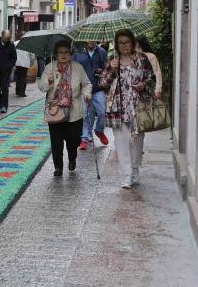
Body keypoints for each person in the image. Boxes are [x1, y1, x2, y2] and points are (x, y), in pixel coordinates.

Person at [99, 28, 154, 189]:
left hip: (138, 106)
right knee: (122, 142)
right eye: (120, 43)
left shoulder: (141, 59)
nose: (124, 45)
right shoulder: (112, 59)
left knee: (136, 141)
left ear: (132, 43)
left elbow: (151, 78)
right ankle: (126, 175)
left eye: (127, 42)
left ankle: (135, 169)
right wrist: (111, 69)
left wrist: (143, 85)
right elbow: (102, 84)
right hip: (118, 108)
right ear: (116, 44)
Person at [38, 40, 92, 176]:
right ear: (56, 54)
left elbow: (86, 84)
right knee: (56, 141)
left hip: (74, 110)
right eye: (60, 52)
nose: (63, 55)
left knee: (73, 139)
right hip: (55, 110)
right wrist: (47, 81)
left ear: (71, 53)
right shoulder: (49, 67)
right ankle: (58, 167)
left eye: (66, 52)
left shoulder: (78, 67)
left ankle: (72, 158)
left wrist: (87, 94)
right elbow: (42, 87)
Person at [73, 41, 110, 150]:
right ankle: (84, 138)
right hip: (83, 88)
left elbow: (107, 69)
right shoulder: (77, 52)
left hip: (98, 87)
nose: (91, 41)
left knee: (102, 111)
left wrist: (102, 71)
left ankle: (99, 130)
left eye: (93, 39)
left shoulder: (101, 51)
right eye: (89, 39)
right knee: (84, 114)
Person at [0, 30, 17, 113]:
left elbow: (14, 58)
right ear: (2, 36)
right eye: (6, 38)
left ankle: (4, 105)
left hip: (6, 71)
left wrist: (9, 66)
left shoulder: (11, 45)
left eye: (9, 38)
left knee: (4, 88)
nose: (7, 40)